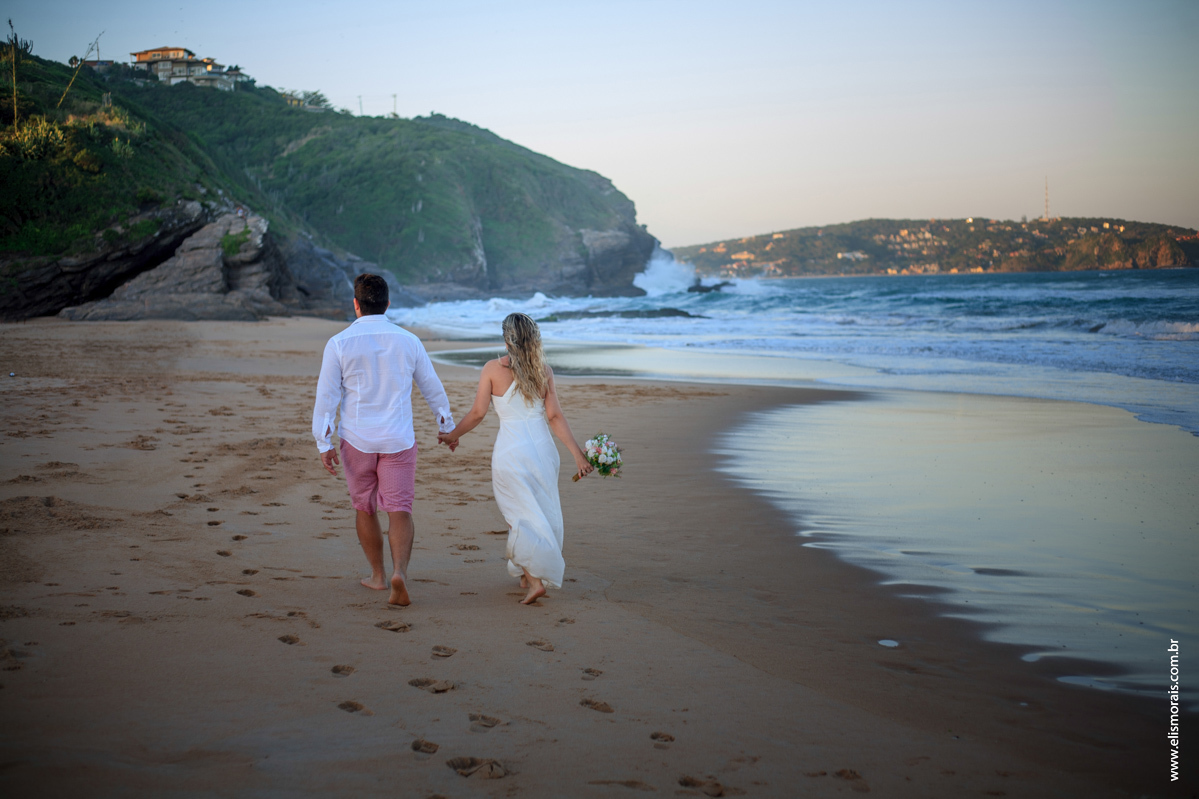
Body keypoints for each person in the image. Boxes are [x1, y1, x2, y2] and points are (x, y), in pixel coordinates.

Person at [312, 274, 455, 606]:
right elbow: (432, 387)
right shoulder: (408, 340)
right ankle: (399, 574)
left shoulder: (338, 343)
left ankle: (377, 576)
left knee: (365, 507)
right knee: (400, 509)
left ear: (356, 304)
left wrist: (324, 441)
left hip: (356, 439)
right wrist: (445, 425)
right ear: (388, 304)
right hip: (398, 438)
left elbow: (327, 398)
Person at [437, 312, 593, 605]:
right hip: (544, 452)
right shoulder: (543, 370)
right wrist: (577, 455)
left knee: (517, 514)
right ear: (533, 339)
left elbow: (478, 413)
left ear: (506, 339)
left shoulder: (492, 369)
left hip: (512, 452)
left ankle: (534, 581)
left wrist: (452, 435)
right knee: (541, 510)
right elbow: (555, 417)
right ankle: (527, 575)